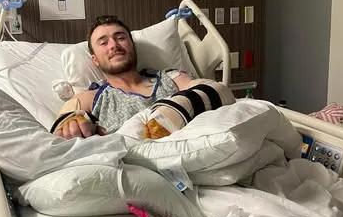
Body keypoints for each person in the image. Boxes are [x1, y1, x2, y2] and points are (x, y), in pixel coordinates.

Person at [54, 15, 234, 139]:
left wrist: (171, 114)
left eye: (120, 38)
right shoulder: (91, 98)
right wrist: (73, 127)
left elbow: (220, 91)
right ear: (95, 60)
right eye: (103, 42)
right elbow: (59, 132)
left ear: (132, 46)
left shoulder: (170, 78)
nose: (113, 45)